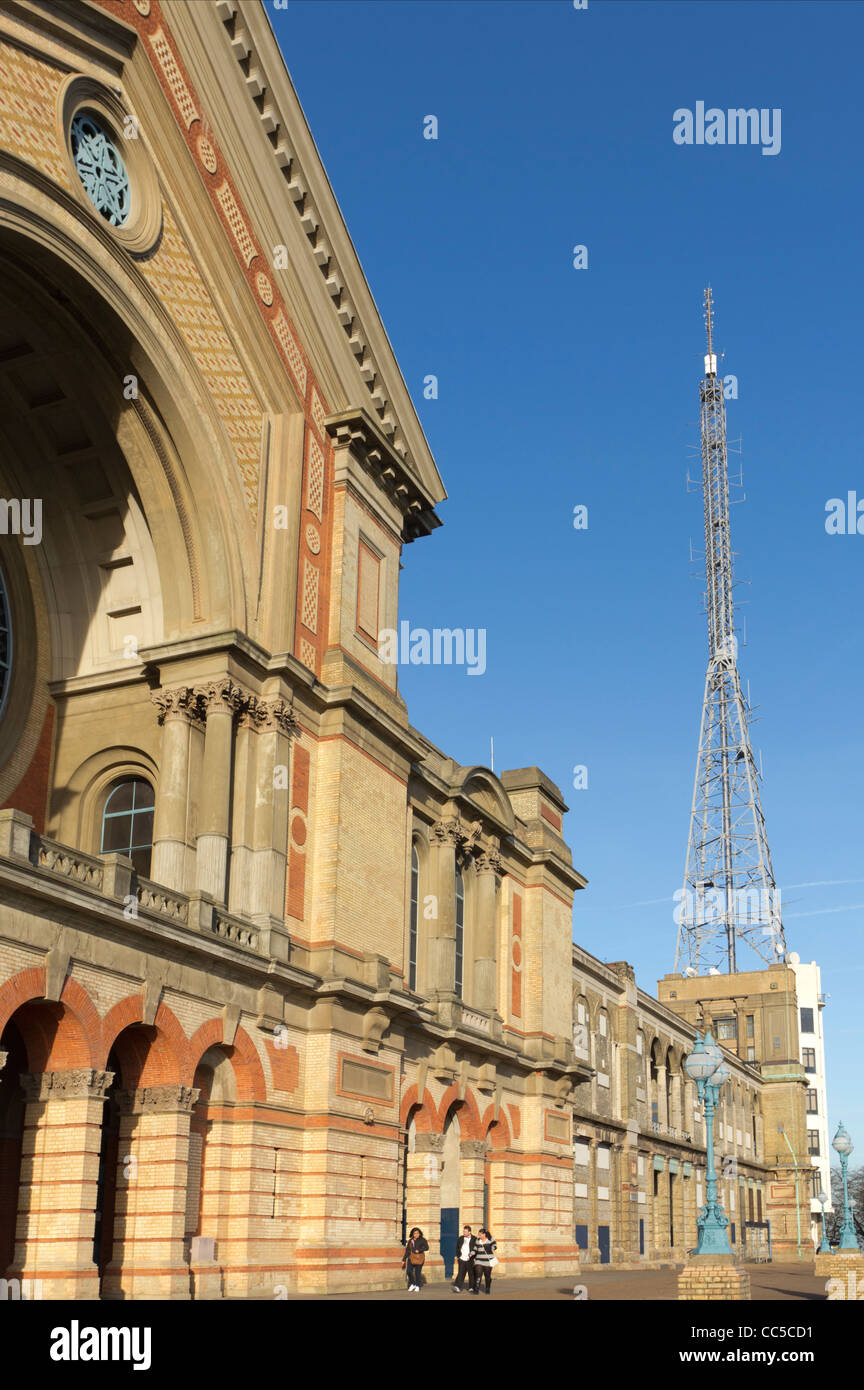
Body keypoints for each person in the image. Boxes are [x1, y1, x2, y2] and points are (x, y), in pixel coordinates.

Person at [451, 1224, 477, 1292]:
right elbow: (457, 1247)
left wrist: (474, 1256)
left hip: (470, 1259)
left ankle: (471, 1287)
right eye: (463, 1231)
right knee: (461, 1273)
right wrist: (458, 1256)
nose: (464, 1233)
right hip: (462, 1258)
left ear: (469, 1232)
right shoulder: (461, 1238)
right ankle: (458, 1287)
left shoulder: (474, 1239)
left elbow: (476, 1248)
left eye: (465, 1232)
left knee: (471, 1274)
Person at [401, 1227, 428, 1292]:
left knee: (417, 1273)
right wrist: (404, 1259)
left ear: (419, 1233)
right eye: (415, 1233)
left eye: (417, 1233)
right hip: (411, 1258)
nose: (416, 1234)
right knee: (409, 1271)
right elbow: (407, 1250)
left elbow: (427, 1247)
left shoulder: (422, 1240)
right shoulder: (411, 1240)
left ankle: (418, 1286)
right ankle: (413, 1284)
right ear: (412, 1234)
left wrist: (419, 1250)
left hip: (419, 1258)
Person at [473, 1228, 497, 1295]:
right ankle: (476, 1289)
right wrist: (471, 1253)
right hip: (479, 1260)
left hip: (488, 1261)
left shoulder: (490, 1239)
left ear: (484, 1234)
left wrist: (490, 1248)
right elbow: (475, 1249)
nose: (479, 1236)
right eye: (478, 1234)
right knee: (478, 1274)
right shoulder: (477, 1240)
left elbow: (495, 1246)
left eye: (480, 1235)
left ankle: (487, 1288)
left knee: (487, 1276)